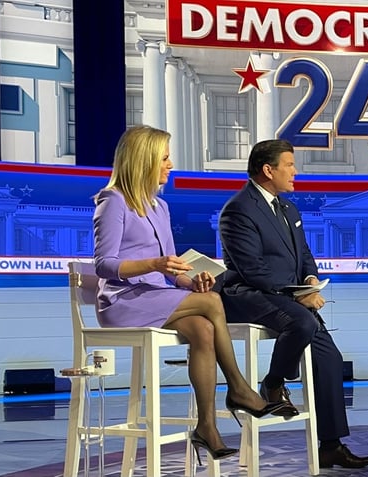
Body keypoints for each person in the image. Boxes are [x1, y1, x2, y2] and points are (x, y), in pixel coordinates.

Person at [92, 126, 285, 465]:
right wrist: (153, 263)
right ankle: (239, 388)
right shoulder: (113, 201)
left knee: (203, 327)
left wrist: (191, 282)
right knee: (212, 303)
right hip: (122, 303)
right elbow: (104, 264)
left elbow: (171, 269)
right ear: (144, 161)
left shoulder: (160, 207)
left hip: (154, 295)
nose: (170, 164)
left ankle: (207, 426)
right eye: (164, 158)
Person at [216, 138, 368, 469]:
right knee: (301, 322)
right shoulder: (238, 210)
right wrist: (299, 295)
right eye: (289, 165)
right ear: (267, 169)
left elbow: (303, 255)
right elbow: (252, 270)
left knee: (329, 358)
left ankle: (331, 445)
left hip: (285, 296)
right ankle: (273, 384)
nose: (295, 171)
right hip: (246, 294)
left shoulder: (289, 208)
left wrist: (311, 280)